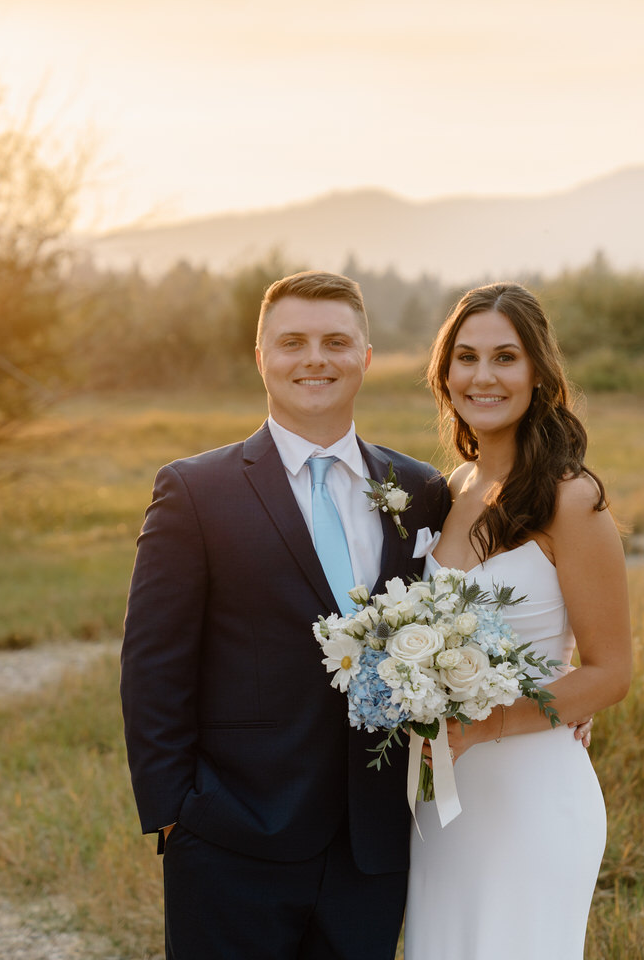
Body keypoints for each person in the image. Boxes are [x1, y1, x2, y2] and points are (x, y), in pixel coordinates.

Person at [118, 270, 452, 960]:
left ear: (365, 357)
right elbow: (153, 665)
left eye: (336, 342)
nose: (315, 359)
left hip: (372, 845)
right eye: (293, 341)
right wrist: (176, 815)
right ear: (262, 356)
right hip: (231, 839)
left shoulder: (419, 490)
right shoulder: (195, 490)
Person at [404, 281, 633, 959]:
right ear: (445, 375)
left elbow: (611, 672)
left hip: (532, 794)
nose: (484, 375)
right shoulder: (449, 492)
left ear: (538, 373)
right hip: (441, 804)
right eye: (466, 357)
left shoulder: (571, 498)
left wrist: (487, 724)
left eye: (505, 357)